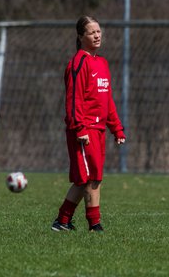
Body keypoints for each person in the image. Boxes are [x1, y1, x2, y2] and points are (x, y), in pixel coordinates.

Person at [51, 16, 126, 232]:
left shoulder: (102, 63)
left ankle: (63, 221)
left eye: (99, 31)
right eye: (92, 32)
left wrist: (117, 128)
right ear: (80, 37)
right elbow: (74, 100)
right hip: (83, 130)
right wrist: (80, 128)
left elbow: (107, 99)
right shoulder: (78, 63)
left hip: (99, 129)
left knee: (89, 178)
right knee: (89, 178)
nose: (97, 35)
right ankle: (94, 224)